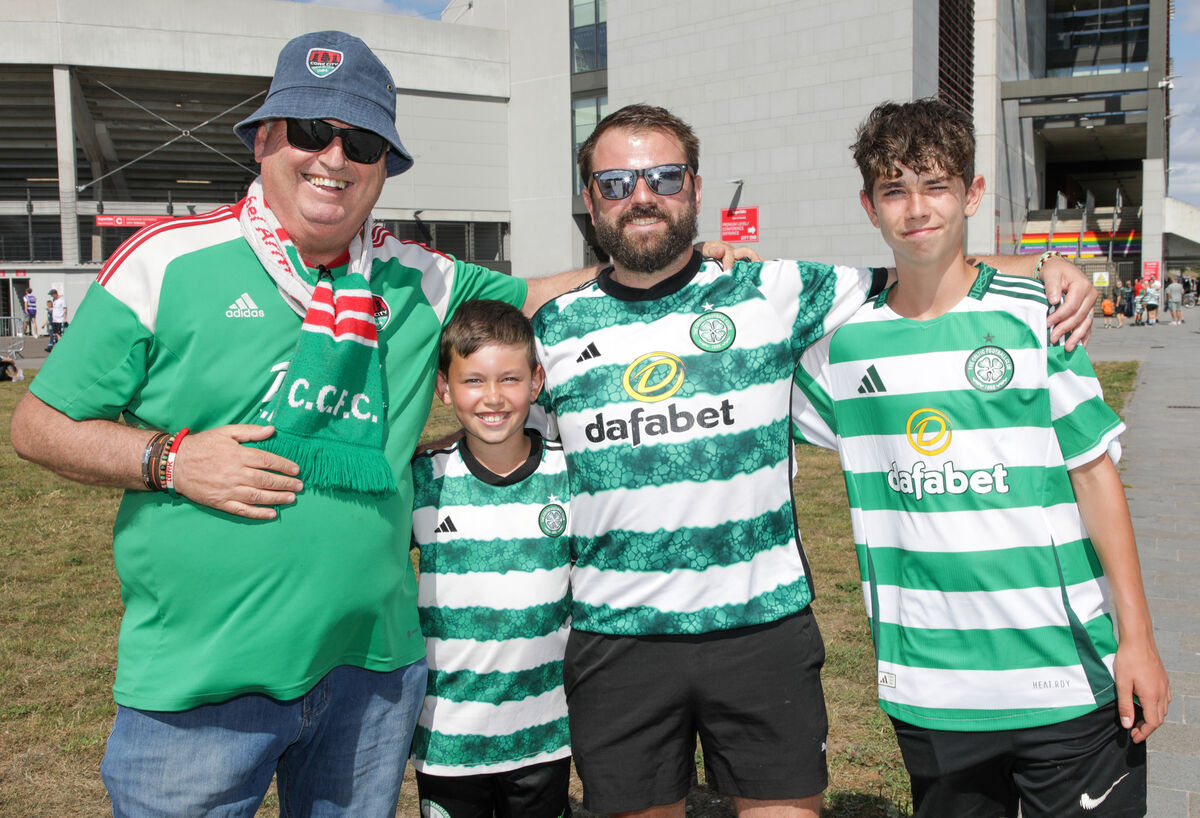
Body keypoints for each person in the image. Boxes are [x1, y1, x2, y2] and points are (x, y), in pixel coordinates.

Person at [8, 30, 598, 817]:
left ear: (384, 166)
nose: (334, 157)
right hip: (201, 682)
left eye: (361, 141)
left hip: (371, 676)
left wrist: (671, 267)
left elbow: (542, 296)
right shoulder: (165, 261)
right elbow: (39, 424)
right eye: (313, 133)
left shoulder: (418, 277)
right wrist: (170, 460)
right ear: (264, 141)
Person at [531, 103, 1098, 818]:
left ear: (696, 189)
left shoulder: (775, 289)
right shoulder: (551, 326)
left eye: (664, 176)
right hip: (617, 639)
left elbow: (925, 263)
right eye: (616, 182)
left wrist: (1049, 263)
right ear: (589, 200)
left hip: (761, 631)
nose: (642, 195)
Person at [793, 98, 1170, 818]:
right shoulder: (846, 346)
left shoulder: (1038, 317)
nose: (916, 210)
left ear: (971, 194)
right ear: (869, 208)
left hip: (1071, 676)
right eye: (894, 191)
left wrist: (1140, 642)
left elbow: (1095, 480)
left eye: (935, 186)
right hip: (933, 689)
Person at [410, 299, 572, 818]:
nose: (493, 397)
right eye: (473, 381)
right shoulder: (420, 479)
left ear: (537, 381)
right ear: (444, 387)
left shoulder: (571, 475)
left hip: (545, 732)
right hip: (448, 738)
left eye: (510, 379)